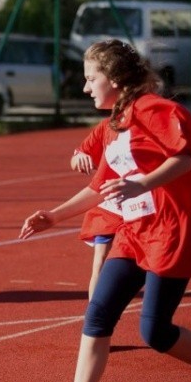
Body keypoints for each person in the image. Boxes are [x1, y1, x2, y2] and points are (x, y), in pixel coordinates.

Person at [20, 40, 191, 382]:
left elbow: (185, 158)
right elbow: (100, 187)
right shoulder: (114, 124)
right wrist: (53, 216)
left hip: (172, 230)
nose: (86, 87)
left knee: (154, 331)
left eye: (91, 79)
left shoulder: (155, 109)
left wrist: (142, 184)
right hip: (134, 230)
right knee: (98, 313)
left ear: (116, 79)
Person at [69, 117, 122, 299]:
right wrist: (80, 157)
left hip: (144, 207)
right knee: (100, 260)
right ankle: (94, 319)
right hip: (109, 207)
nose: (86, 89)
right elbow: (76, 158)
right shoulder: (107, 125)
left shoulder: (151, 125)